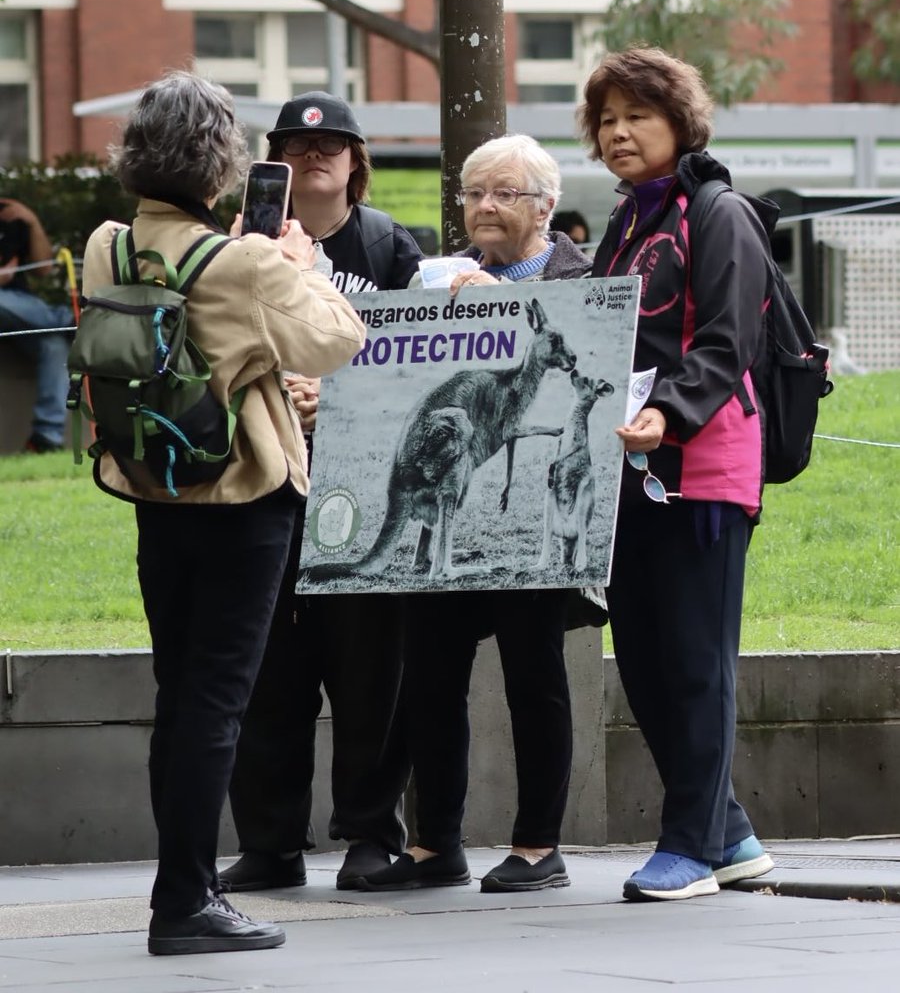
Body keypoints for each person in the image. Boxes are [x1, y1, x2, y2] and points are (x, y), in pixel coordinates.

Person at [81, 72, 365, 954]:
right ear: (220, 164)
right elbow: (339, 339)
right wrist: (300, 264)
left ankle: (184, 885)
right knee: (217, 702)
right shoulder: (241, 263)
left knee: (180, 696)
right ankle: (185, 904)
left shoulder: (106, 247)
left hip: (152, 488)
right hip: (244, 498)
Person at [356, 134, 592, 896]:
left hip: (534, 528)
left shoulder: (585, 284)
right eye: (472, 193)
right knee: (429, 675)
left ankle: (536, 845)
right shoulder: (435, 281)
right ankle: (434, 845)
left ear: (545, 207)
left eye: (504, 193)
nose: (484, 207)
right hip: (442, 506)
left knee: (534, 674)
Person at [580, 46, 775, 901]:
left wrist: (670, 412)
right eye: (607, 119)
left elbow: (728, 343)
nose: (619, 133)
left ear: (678, 122)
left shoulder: (717, 211)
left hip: (701, 468)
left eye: (638, 117)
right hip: (630, 471)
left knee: (695, 660)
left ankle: (689, 847)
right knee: (646, 660)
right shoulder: (626, 221)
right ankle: (726, 833)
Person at [220, 92, 422, 895]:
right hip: (266, 478)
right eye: (297, 148)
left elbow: (419, 362)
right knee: (268, 669)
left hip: (363, 484)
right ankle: (269, 841)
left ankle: (374, 834)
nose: (314, 158)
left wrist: (334, 398)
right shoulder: (241, 249)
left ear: (356, 161)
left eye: (331, 145)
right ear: (270, 162)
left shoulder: (389, 247)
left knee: (371, 667)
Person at [0, 198, 73, 452]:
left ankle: (45, 439)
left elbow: (44, 268)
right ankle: (70, 319)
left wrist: (31, 220)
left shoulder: (9, 215)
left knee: (54, 346)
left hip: (22, 311)